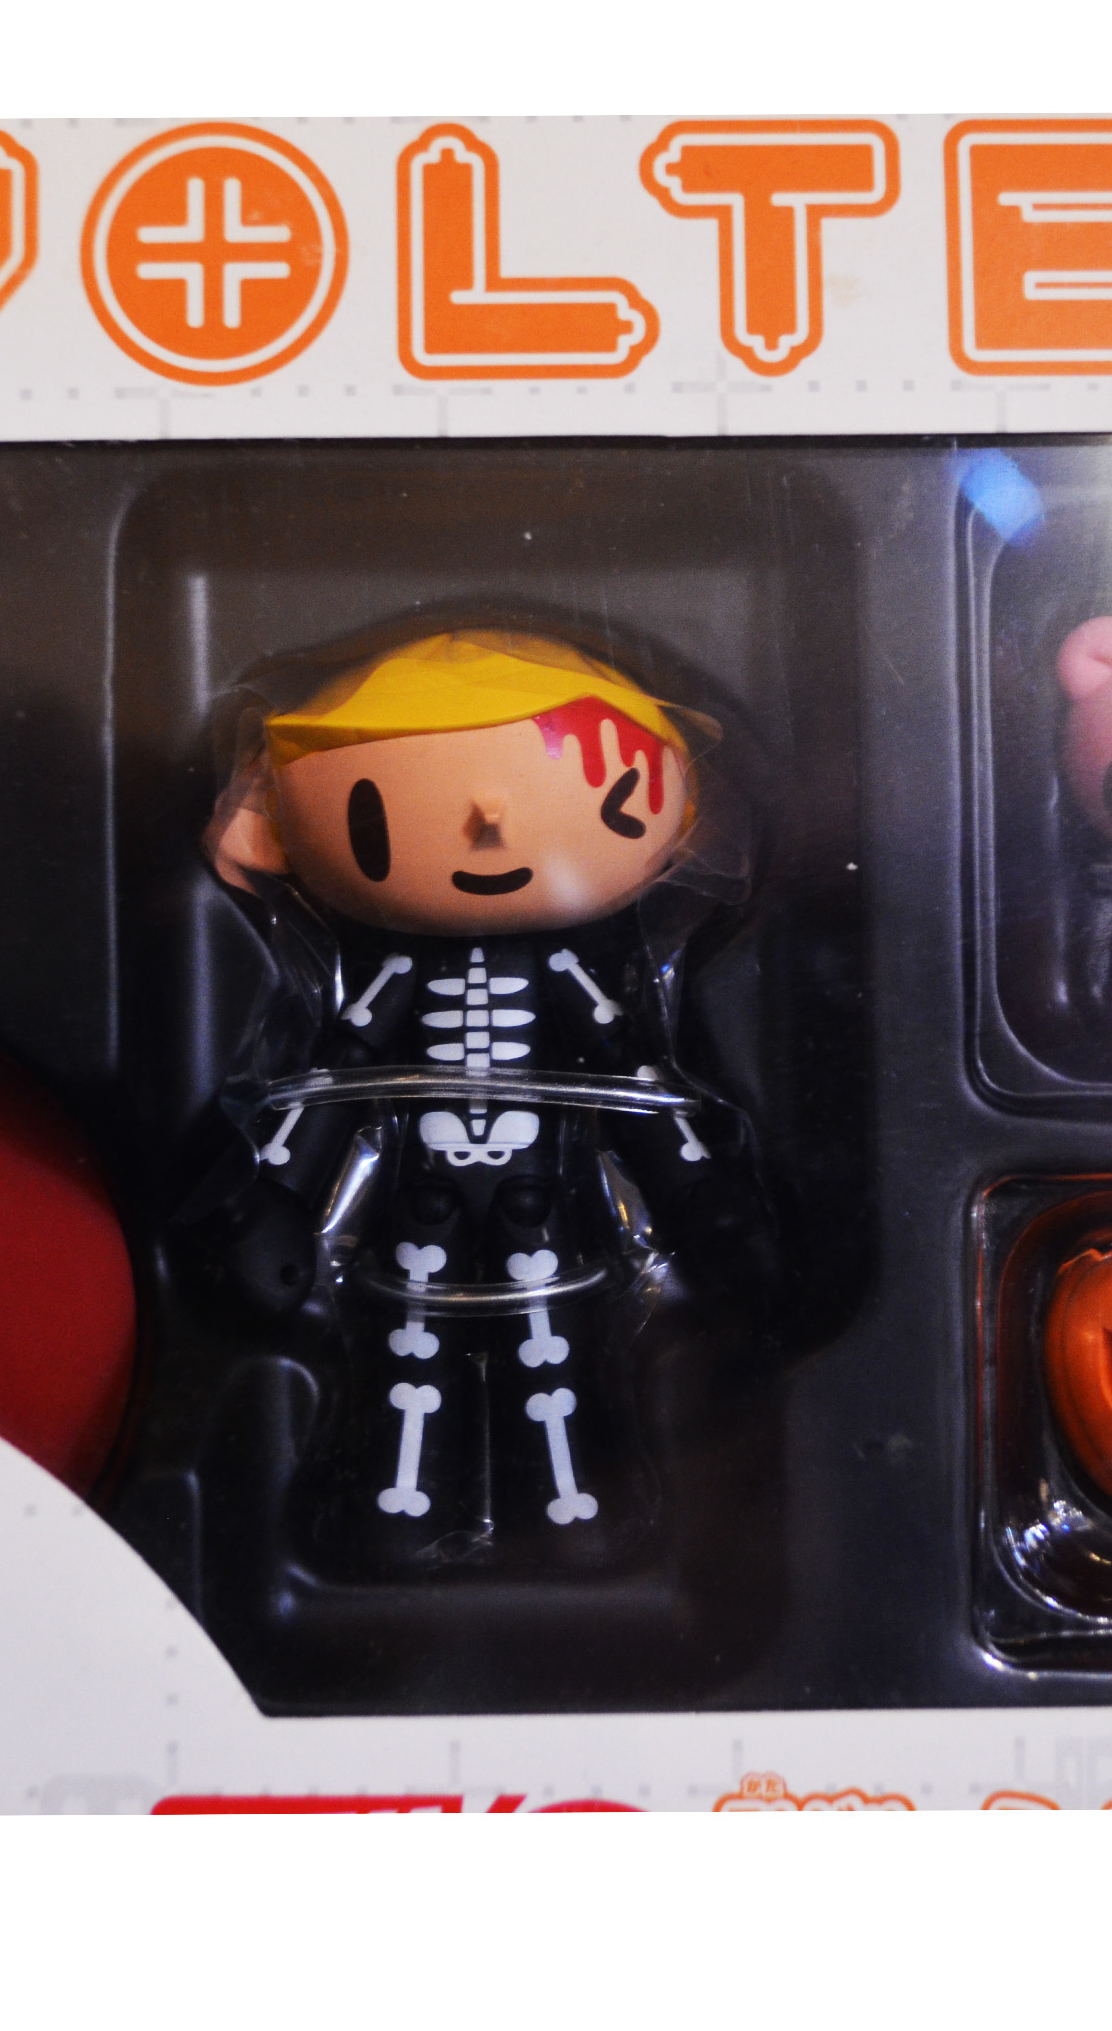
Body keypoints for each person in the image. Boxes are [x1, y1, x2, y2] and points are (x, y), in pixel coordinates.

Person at [202, 628, 774, 1567]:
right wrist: (277, 1198)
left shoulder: (573, 979)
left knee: (549, 1347)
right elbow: (336, 1085)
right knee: (411, 1349)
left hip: (539, 1203)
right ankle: (398, 1499)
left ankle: (565, 1497)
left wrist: (696, 1190)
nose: (488, 822)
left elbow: (637, 1079)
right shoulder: (387, 980)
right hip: (418, 1202)